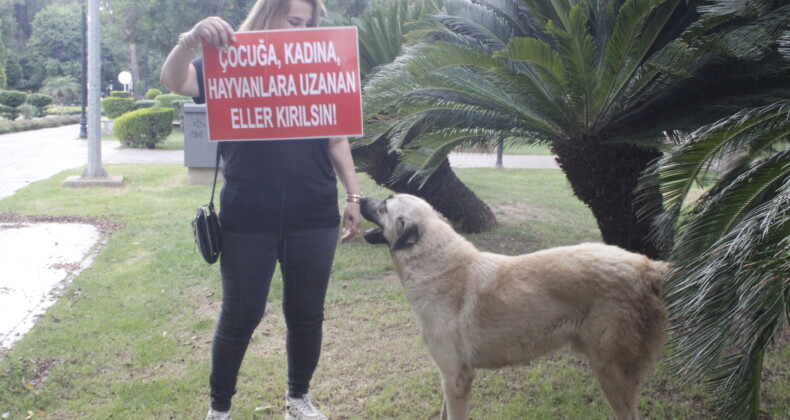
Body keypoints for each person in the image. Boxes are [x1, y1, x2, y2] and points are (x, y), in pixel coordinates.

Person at [160, 1, 362, 419]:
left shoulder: (317, 66)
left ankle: (298, 400)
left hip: (314, 213)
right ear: (267, 14)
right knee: (240, 314)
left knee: (307, 315)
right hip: (247, 215)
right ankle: (219, 410)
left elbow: (337, 139)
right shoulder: (226, 60)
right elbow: (173, 80)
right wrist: (190, 38)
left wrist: (354, 196)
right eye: (293, 20)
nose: (301, 30)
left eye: (307, 24)